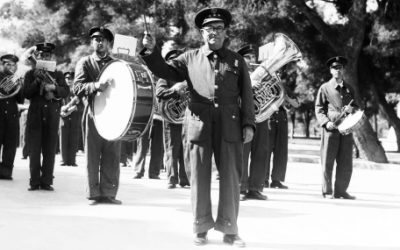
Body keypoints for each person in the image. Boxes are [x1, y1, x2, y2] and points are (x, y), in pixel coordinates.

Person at [141, 7, 255, 247]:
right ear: (201, 33)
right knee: (199, 179)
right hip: (199, 124)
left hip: (230, 125)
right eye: (208, 29)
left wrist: (249, 124)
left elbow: (246, 94)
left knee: (231, 179)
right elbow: (164, 71)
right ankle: (200, 228)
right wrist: (151, 52)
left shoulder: (236, 60)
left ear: (225, 32)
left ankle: (230, 230)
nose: (213, 33)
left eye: (218, 28)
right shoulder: (188, 57)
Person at [74, 26, 122, 205]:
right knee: (92, 155)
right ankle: (94, 193)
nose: (99, 42)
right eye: (95, 39)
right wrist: (95, 85)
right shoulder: (85, 62)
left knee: (112, 154)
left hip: (115, 114)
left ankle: (109, 193)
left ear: (109, 43)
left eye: (103, 39)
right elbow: (77, 88)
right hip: (94, 113)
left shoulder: (117, 63)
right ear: (91, 42)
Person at [23, 43, 69, 191]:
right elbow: (26, 94)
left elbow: (65, 92)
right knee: (34, 150)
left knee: (49, 150)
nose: (44, 57)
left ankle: (47, 181)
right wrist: (36, 82)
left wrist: (54, 88)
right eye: (41, 55)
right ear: (38, 57)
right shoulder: (30, 74)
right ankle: (34, 182)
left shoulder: (58, 74)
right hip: (35, 115)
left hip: (52, 114)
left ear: (51, 57)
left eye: (47, 55)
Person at [315, 56, 357, 200]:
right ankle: (327, 191)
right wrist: (326, 122)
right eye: (334, 68)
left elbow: (356, 107)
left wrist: (353, 110)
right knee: (327, 161)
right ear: (330, 70)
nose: (337, 70)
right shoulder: (325, 88)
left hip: (346, 129)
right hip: (331, 130)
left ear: (343, 69)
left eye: (340, 68)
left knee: (346, 162)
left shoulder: (349, 88)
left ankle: (341, 191)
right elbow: (319, 108)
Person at [237, 44, 269, 201]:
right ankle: (241, 188)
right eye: (247, 57)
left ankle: (255, 188)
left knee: (261, 153)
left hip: (261, 118)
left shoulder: (263, 76)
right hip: (243, 117)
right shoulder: (236, 73)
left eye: (253, 57)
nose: (251, 60)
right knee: (242, 153)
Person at [156, 49, 190, 189]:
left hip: (184, 117)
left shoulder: (186, 76)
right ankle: (171, 178)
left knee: (185, 148)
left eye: (178, 60)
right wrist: (175, 90)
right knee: (171, 148)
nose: (175, 62)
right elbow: (159, 92)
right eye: (172, 60)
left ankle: (184, 179)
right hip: (170, 117)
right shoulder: (164, 77)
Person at [264, 69, 299, 190]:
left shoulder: (284, 86)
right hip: (269, 119)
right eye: (275, 71)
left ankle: (276, 180)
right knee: (266, 150)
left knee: (281, 152)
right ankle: (264, 179)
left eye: (278, 72)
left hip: (282, 119)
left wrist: (286, 99)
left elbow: (296, 104)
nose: (276, 74)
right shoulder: (264, 85)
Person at [0, 54, 24, 180]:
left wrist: (20, 86)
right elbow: (3, 91)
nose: (11, 67)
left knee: (10, 144)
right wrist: (12, 82)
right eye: (7, 64)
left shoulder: (15, 79)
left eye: (13, 64)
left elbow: (20, 100)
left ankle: (6, 172)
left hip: (12, 115)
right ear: (2, 64)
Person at [59, 71, 83, 166]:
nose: (69, 80)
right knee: (63, 139)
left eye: (71, 78)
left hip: (74, 118)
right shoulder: (61, 91)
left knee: (74, 139)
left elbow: (82, 106)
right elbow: (58, 104)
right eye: (67, 78)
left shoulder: (77, 91)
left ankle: (72, 161)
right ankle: (63, 160)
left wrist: (75, 108)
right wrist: (63, 109)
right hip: (63, 117)